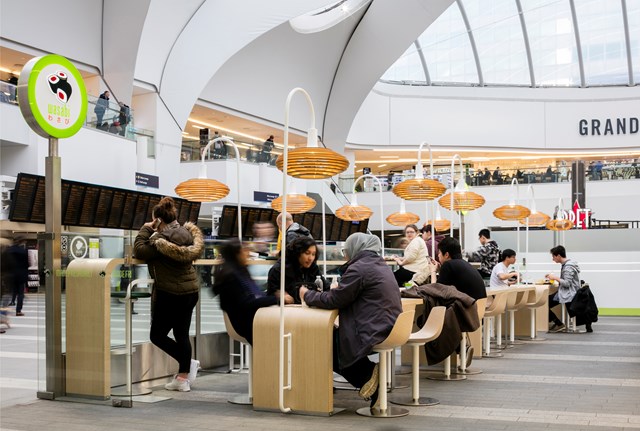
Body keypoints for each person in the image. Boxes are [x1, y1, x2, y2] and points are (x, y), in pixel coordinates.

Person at [300, 232, 402, 409]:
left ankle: (368, 376)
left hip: (373, 328)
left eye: (346, 251)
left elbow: (335, 300)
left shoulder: (359, 268)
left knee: (323, 342)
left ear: (355, 249)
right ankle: (369, 377)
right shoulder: (379, 264)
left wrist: (307, 294)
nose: (345, 256)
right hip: (390, 325)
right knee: (331, 338)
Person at [134, 197, 204, 392]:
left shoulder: (161, 241)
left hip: (171, 293)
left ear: (158, 220)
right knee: (181, 334)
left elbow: (139, 250)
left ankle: (187, 365)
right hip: (190, 291)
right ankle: (182, 379)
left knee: (157, 335)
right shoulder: (185, 235)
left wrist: (147, 228)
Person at [212, 239, 278, 344]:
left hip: (251, 318)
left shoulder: (238, 271)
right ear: (236, 254)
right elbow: (248, 302)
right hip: (246, 323)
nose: (248, 253)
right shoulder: (232, 277)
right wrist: (276, 299)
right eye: (245, 250)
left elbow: (254, 296)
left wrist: (272, 297)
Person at [266, 236, 329, 304]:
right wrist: (280, 297)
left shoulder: (313, 269)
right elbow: (271, 295)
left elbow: (326, 287)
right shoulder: (278, 270)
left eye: (313, 254)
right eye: (307, 253)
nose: (310, 258)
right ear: (297, 253)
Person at [546, 245, 581, 333]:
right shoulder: (568, 265)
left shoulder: (568, 267)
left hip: (568, 293)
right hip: (567, 292)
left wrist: (554, 277)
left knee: (544, 303)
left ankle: (558, 324)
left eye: (553, 256)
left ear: (558, 256)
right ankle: (558, 323)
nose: (553, 259)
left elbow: (567, 283)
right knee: (546, 301)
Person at [3, 235, 28, 316]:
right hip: (21, 275)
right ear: (21, 242)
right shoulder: (23, 251)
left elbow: (4, 263)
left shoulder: (8, 251)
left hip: (10, 275)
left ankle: (3, 312)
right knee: (20, 294)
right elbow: (27, 264)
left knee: (8, 293)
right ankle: (18, 311)